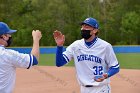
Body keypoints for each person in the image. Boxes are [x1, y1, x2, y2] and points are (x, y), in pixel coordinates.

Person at [53, 17, 120, 93]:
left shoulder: (105, 46)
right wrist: (59, 46)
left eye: (87, 27)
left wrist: (106, 75)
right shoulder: (76, 45)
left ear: (95, 30)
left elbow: (115, 67)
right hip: (84, 89)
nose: (83, 29)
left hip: (101, 89)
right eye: (82, 26)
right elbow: (59, 63)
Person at [0, 22, 42, 93]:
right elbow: (34, 60)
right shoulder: (7, 54)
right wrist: (36, 39)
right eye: (8, 34)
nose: (10, 36)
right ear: (3, 36)